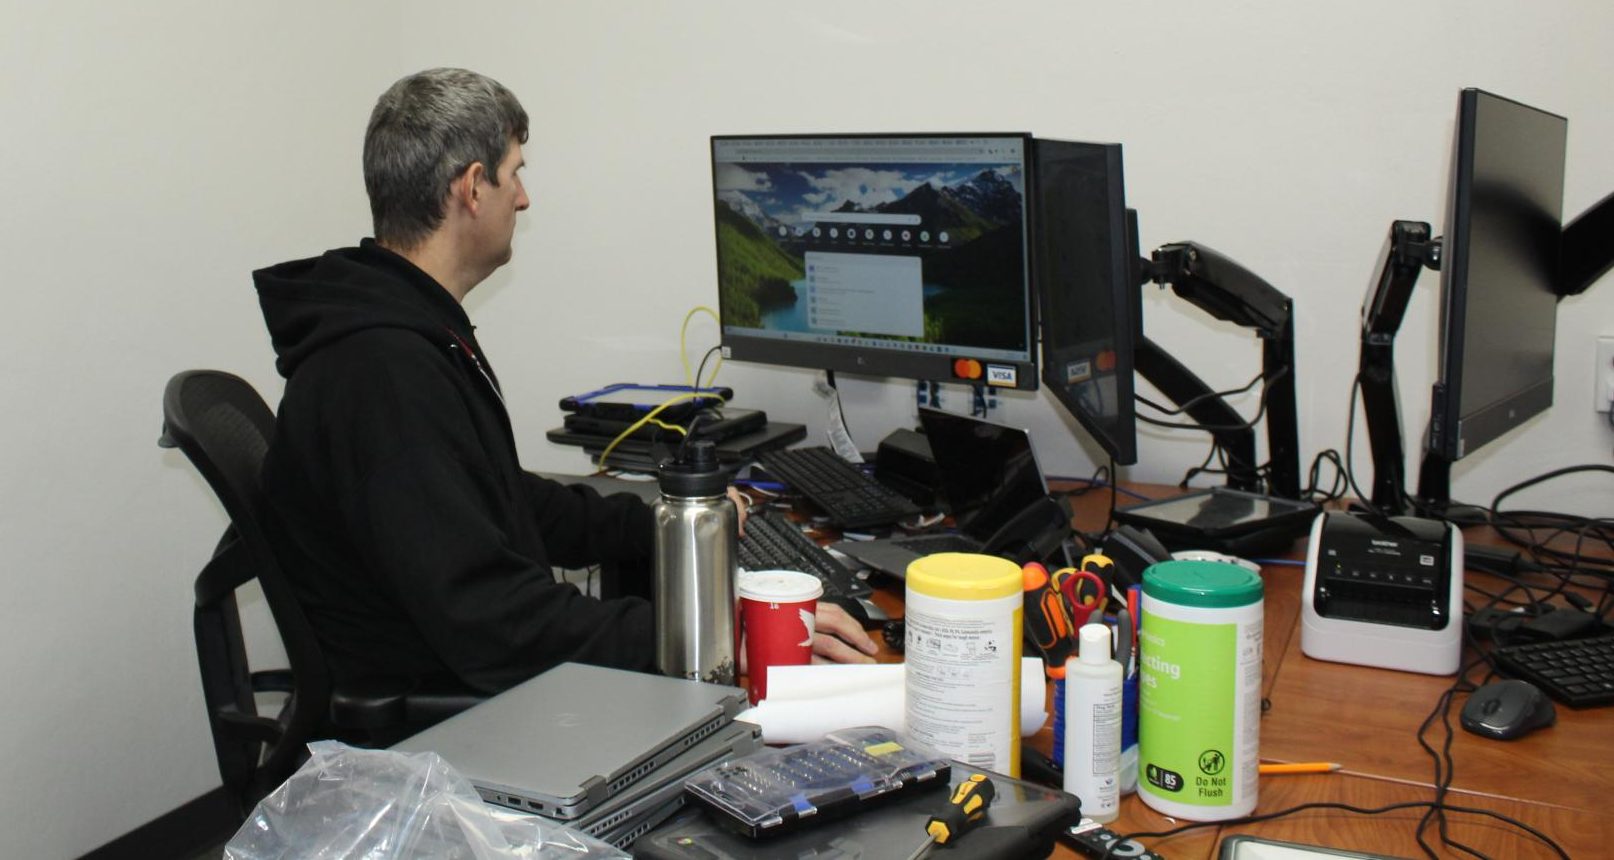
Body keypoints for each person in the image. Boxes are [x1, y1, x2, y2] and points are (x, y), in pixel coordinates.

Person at [254, 67, 875, 696]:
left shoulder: (405, 326)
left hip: (464, 672)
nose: (523, 198)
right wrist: (717, 634)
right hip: (455, 723)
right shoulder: (381, 371)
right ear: (473, 187)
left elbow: (501, 499)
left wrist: (667, 522)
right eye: (515, 172)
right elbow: (493, 620)